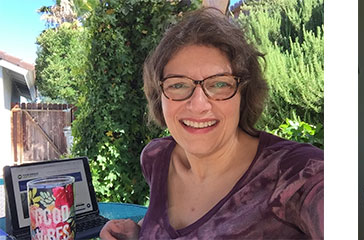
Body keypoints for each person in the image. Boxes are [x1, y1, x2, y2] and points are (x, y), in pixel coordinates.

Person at [99, 8, 323, 239]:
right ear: (160, 95)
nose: (198, 105)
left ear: (243, 94)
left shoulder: (299, 174)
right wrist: (139, 233)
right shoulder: (157, 157)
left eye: (219, 84)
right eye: (178, 85)